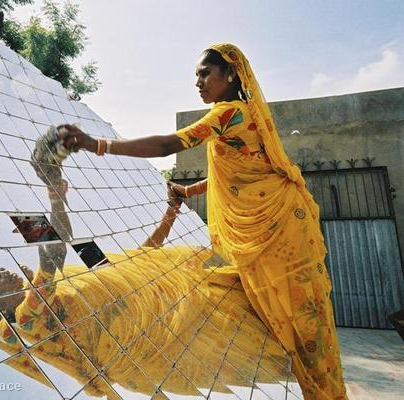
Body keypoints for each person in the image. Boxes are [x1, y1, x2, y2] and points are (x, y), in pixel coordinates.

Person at [57, 43, 347, 399]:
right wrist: (190, 190)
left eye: (205, 74)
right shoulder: (243, 117)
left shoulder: (228, 113)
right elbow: (244, 171)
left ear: (230, 75)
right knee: (294, 321)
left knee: (301, 324)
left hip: (278, 231)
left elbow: (168, 145)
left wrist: (95, 143)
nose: (198, 82)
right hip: (280, 224)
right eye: (196, 75)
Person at [0, 134, 292, 398]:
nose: (2, 273)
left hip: (169, 318)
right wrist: (53, 192)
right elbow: (52, 254)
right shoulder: (29, 322)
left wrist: (171, 212)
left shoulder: (73, 283)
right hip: (160, 344)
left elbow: (141, 261)